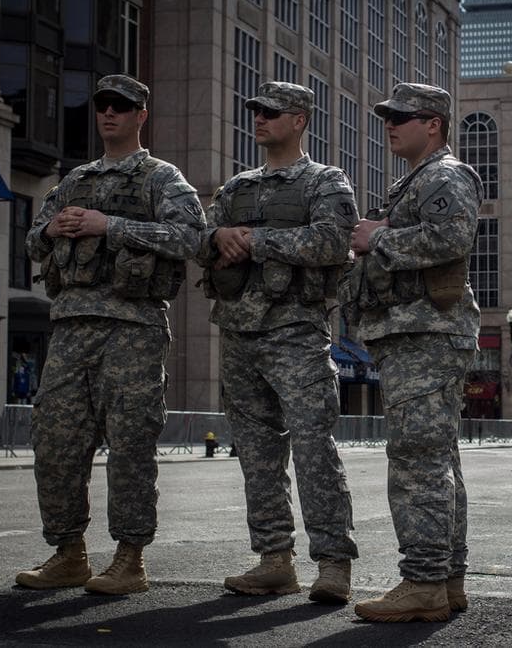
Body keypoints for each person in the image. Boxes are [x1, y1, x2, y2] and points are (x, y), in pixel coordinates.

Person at [17, 74, 206, 595]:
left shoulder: (161, 177)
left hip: (133, 329)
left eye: (121, 107)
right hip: (70, 327)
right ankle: (68, 553)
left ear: (141, 115)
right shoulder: (74, 180)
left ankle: (129, 558)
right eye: (102, 105)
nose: (109, 114)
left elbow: (191, 237)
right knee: (54, 442)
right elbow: (34, 240)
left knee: (130, 446)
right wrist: (50, 230)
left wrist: (112, 226)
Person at [197, 81, 359, 604]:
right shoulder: (236, 187)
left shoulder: (325, 181)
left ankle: (333, 563)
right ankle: (274, 559)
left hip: (296, 331)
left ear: (299, 120)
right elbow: (203, 239)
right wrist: (217, 239)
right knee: (257, 454)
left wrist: (255, 241)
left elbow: (335, 241)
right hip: (239, 332)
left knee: (314, 449)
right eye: (255, 110)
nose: (259, 118)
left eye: (271, 111)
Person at [348, 83, 482, 622]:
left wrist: (377, 238)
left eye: (404, 117)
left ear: (435, 124)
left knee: (416, 462)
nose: (391, 124)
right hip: (419, 333)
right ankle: (445, 580)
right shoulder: (419, 179)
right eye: (388, 116)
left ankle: (423, 583)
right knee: (438, 459)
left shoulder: (443, 175)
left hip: (426, 334)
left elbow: (453, 237)